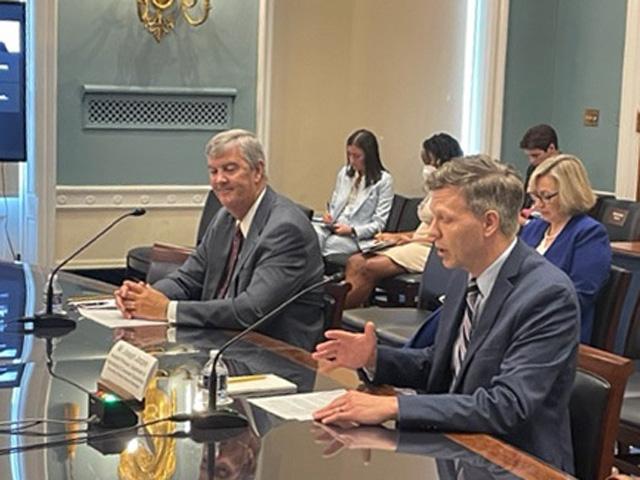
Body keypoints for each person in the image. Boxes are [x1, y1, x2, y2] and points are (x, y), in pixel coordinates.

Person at [312, 155, 580, 474]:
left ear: (489, 223)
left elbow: (506, 406)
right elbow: (443, 364)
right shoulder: (465, 275)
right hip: (457, 451)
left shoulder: (547, 295)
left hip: (515, 464)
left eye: (445, 220)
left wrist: (393, 405)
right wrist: (374, 359)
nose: (431, 233)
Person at [114, 129, 325, 351]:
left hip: (275, 356)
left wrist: (167, 310)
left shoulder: (285, 229)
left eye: (230, 169)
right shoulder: (225, 218)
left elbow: (251, 311)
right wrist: (143, 297)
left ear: (257, 171)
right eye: (213, 171)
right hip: (223, 346)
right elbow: (188, 279)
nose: (219, 180)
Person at [343, 133, 463, 308]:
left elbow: (442, 233)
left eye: (430, 162)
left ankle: (339, 316)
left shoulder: (455, 192)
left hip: (431, 250)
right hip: (417, 242)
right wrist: (396, 236)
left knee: (367, 267)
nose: (426, 167)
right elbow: (425, 227)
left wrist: (405, 239)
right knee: (355, 261)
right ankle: (341, 315)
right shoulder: (435, 189)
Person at [520, 154, 611, 343]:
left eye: (546, 196)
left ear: (571, 193)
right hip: (521, 323)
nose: (538, 204)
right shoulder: (535, 227)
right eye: (535, 197)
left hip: (557, 332)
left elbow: (578, 298)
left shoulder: (589, 234)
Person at [314, 129, 393, 257]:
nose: (351, 160)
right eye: (349, 155)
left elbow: (379, 224)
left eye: (357, 156)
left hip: (355, 236)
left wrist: (352, 230)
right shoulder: (345, 173)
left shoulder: (384, 180)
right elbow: (334, 206)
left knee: (325, 246)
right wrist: (329, 216)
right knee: (309, 235)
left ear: (369, 156)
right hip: (333, 227)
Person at [519, 124, 559, 209]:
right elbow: (525, 202)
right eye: (529, 156)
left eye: (535, 155)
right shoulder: (533, 169)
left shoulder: (566, 171)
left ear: (551, 148)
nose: (532, 161)